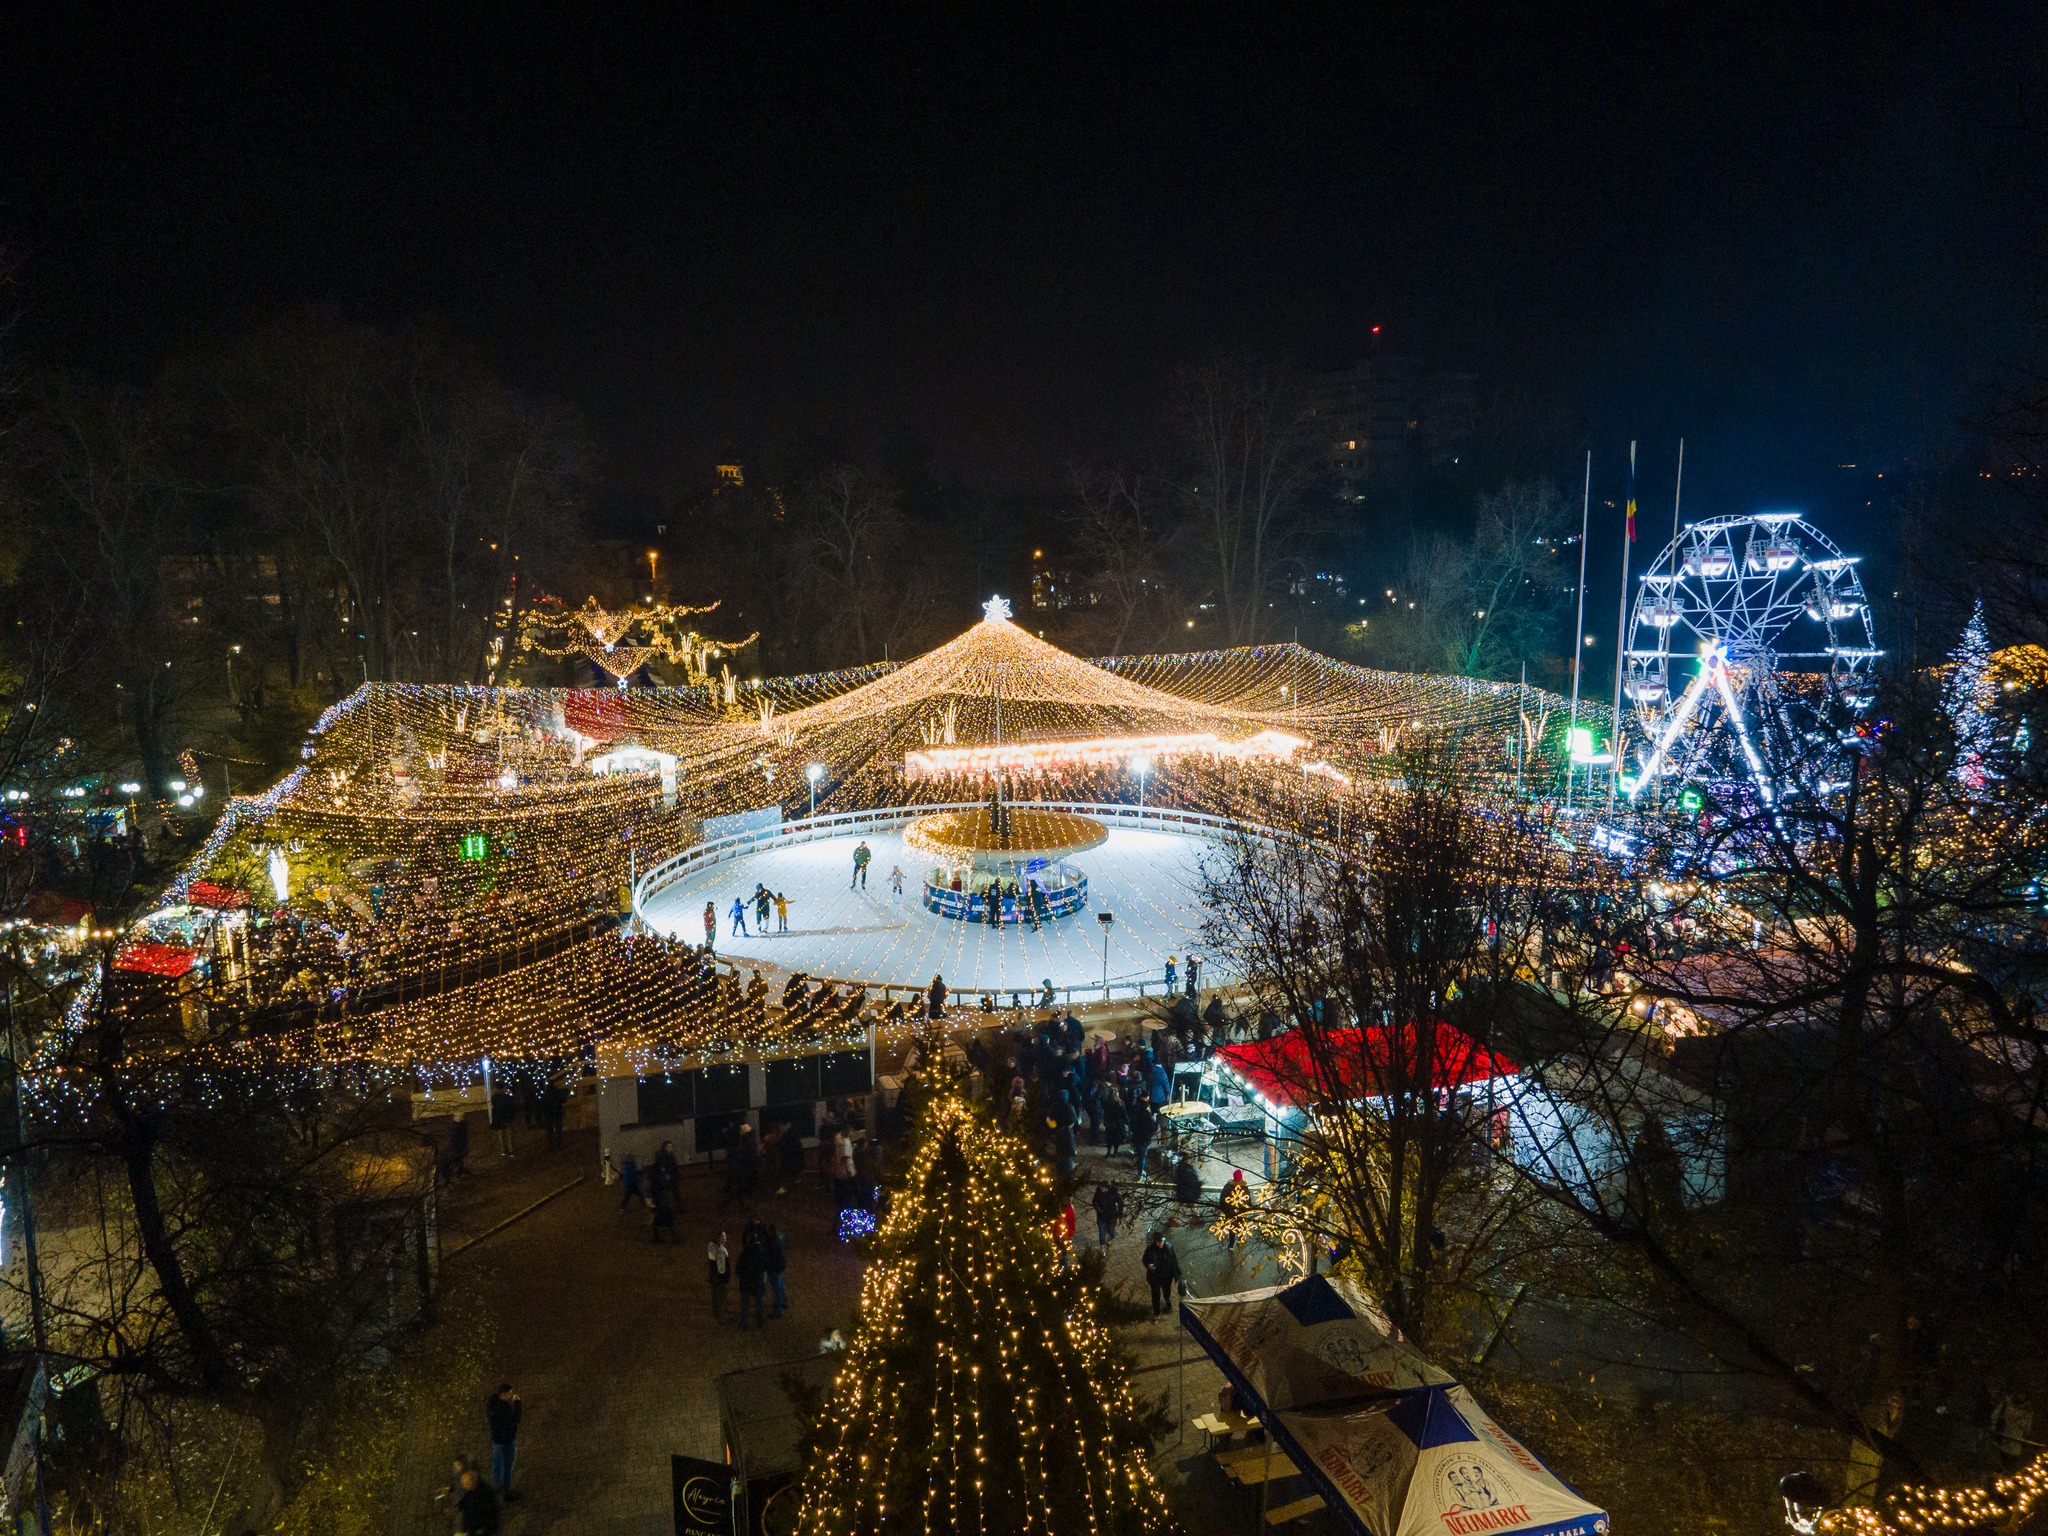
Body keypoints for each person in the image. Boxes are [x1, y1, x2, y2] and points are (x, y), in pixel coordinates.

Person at [485, 1383, 522, 1502]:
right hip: (506, 1440)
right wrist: (517, 1403)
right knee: (508, 1466)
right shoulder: (504, 1410)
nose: (511, 1396)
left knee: (496, 1464)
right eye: (510, 1394)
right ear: (504, 1394)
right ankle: (508, 1492)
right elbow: (515, 1419)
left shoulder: (492, 1403)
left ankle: (495, 1487)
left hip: (496, 1440)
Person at [1142, 1232, 1182, 1317]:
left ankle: (1167, 1301)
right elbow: (1144, 1259)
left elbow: (1174, 1261)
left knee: (1167, 1290)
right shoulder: (1150, 1249)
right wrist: (1148, 1265)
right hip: (1155, 1277)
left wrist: (1177, 1274)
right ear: (1155, 1241)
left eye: (1161, 1241)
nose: (1160, 1243)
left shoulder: (1169, 1248)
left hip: (1167, 1276)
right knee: (1155, 1295)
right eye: (1158, 1242)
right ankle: (1157, 1312)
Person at [455, 1466, 502, 1534]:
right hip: (471, 1528)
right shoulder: (471, 1489)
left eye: (466, 1484)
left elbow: (490, 1514)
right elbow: (465, 1500)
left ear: (472, 1482)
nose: (464, 1487)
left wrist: (481, 1530)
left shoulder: (485, 1494)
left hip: (482, 1529)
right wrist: (458, 1507)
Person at [1218, 1168, 1251, 1248]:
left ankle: (1231, 1243)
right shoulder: (1244, 1187)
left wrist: (1225, 1210)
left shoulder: (1227, 1187)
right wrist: (1247, 1209)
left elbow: (1222, 1199)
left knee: (1232, 1227)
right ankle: (1240, 1239)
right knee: (1241, 1225)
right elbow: (1248, 1200)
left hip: (1230, 1212)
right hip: (1241, 1212)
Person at [764, 1220, 789, 1316]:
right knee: (781, 1285)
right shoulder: (780, 1237)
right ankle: (784, 1301)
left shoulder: (771, 1242)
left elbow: (772, 1257)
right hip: (781, 1265)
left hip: (775, 1268)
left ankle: (778, 1311)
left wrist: (768, 1267)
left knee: (776, 1289)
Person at [1128, 1093, 1155, 1178]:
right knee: (1143, 1155)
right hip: (1144, 1139)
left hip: (1136, 1136)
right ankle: (1140, 1172)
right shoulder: (1147, 1115)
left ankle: (1138, 1164)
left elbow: (1131, 1124)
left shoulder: (1136, 1112)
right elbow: (1152, 1127)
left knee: (1139, 1152)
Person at [1091, 1179, 1125, 1247]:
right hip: (1101, 1215)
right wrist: (1098, 1208)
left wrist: (1119, 1213)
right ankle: (1102, 1246)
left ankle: (1112, 1237)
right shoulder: (1098, 1192)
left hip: (1112, 1216)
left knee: (1111, 1230)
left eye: (1102, 1187)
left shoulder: (1113, 1193)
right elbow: (1095, 1201)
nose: (1101, 1189)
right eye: (1100, 1187)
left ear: (1107, 1188)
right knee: (1102, 1231)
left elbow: (1120, 1202)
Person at [707, 1231, 731, 1319]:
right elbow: (721, 1269)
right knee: (721, 1298)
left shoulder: (711, 1246)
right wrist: (724, 1279)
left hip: (713, 1276)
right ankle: (722, 1317)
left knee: (714, 1297)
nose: (725, 1238)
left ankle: (716, 1313)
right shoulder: (720, 1251)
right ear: (719, 1238)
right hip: (719, 1279)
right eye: (723, 1236)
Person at [488, 1085, 516, 1156]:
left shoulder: (494, 1097)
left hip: (498, 1119)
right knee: (509, 1135)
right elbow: (511, 1106)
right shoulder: (506, 1097)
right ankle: (511, 1150)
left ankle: (503, 1150)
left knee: (501, 1135)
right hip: (506, 1118)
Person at [1101, 1081, 1127, 1157]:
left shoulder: (1106, 1102)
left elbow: (1105, 1112)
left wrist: (1105, 1120)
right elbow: (1124, 1114)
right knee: (1117, 1139)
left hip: (1109, 1122)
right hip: (1118, 1123)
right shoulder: (1120, 1103)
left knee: (1109, 1138)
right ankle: (1115, 1152)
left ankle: (1108, 1152)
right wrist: (1127, 1121)